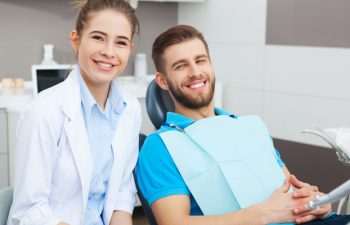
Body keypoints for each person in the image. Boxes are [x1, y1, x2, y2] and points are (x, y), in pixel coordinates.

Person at [136, 25, 350, 225]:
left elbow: (289, 187)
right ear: (163, 81)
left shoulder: (250, 127)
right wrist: (264, 213)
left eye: (200, 61)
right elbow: (174, 223)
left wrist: (318, 202)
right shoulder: (160, 146)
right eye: (181, 66)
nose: (195, 72)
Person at [7, 0, 141, 224]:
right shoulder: (42, 112)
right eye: (98, 37)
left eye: (120, 42)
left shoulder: (130, 109)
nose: (108, 52)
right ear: (76, 40)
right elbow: (29, 209)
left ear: (130, 50)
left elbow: (122, 194)